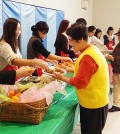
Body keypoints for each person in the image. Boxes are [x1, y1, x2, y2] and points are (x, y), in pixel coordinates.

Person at [51, 23, 109, 134]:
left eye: (71, 40)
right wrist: (67, 69)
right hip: (96, 102)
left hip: (94, 105)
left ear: (80, 39)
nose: (69, 43)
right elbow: (85, 72)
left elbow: (80, 82)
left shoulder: (88, 57)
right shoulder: (91, 50)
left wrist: (61, 77)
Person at [106, 28, 120, 112]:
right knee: (116, 88)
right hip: (116, 69)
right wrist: (110, 54)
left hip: (118, 69)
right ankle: (116, 105)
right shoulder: (118, 44)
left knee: (117, 88)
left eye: (119, 35)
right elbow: (115, 53)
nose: (118, 37)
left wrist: (113, 58)